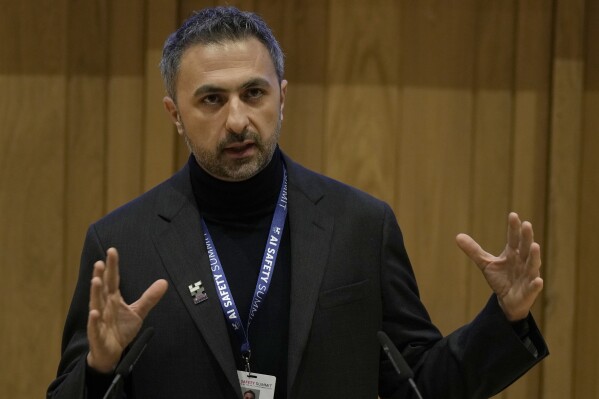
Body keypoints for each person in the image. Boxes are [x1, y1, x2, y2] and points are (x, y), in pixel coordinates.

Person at [47, 6, 548, 399]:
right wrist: (99, 368)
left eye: (254, 93)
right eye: (212, 100)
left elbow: (417, 384)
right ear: (175, 114)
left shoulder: (360, 226)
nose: (238, 120)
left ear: (282, 98)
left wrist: (504, 319)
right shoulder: (122, 242)